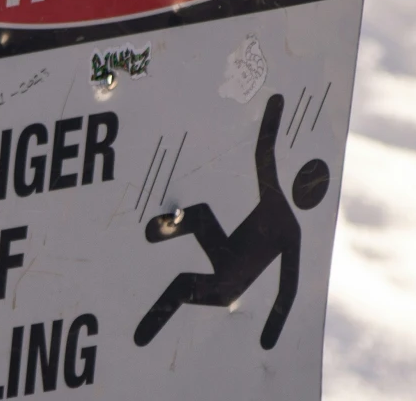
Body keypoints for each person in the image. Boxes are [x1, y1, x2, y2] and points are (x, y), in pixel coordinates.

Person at [134, 91, 329, 351]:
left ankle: (140, 337)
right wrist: (275, 107)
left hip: (228, 286)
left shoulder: (286, 220)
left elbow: (288, 289)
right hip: (226, 255)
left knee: (183, 284)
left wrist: (268, 338)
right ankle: (158, 229)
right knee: (202, 215)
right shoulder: (285, 216)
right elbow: (264, 154)